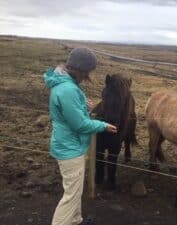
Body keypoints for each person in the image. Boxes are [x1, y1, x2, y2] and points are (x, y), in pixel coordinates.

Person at [44, 47, 117, 225]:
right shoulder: (68, 90)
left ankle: (76, 220)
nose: (88, 77)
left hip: (69, 144)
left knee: (75, 192)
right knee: (70, 196)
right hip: (70, 149)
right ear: (81, 70)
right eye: (88, 72)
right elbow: (80, 124)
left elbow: (71, 112)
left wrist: (84, 106)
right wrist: (103, 125)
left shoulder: (65, 84)